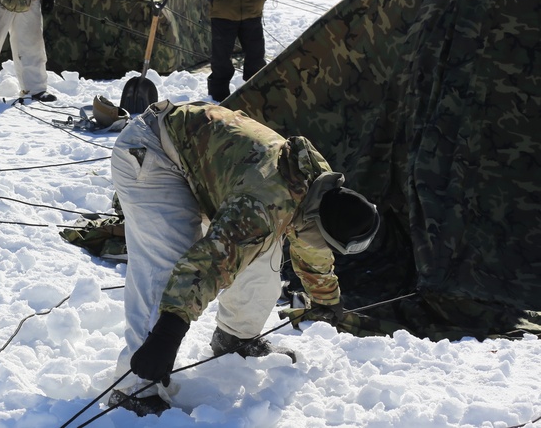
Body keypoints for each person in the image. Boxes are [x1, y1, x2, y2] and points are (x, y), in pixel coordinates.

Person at [109, 100, 379, 416]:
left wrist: (324, 296)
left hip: (209, 169)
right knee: (166, 265)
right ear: (319, 222)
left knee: (265, 249)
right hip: (151, 150)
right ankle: (133, 388)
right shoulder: (265, 204)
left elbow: (311, 245)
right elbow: (209, 263)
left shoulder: (317, 190)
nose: (330, 250)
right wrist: (170, 331)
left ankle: (234, 338)